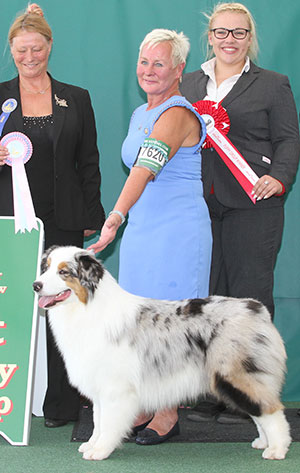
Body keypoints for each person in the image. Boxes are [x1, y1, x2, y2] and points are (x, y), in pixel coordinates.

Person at [89, 28, 212, 445]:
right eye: (144, 62)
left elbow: (143, 168)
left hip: (177, 233)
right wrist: (126, 219)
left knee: (173, 323)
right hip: (143, 231)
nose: (149, 70)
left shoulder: (178, 114)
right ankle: (144, 401)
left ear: (179, 69)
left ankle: (169, 410)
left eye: (159, 63)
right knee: (141, 323)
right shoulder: (141, 113)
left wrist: (115, 216)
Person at [180, 2, 300, 423]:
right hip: (200, 206)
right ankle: (213, 392)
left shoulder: (273, 83)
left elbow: (288, 140)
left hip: (254, 204)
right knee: (209, 299)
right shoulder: (189, 82)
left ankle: (251, 397)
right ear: (209, 36)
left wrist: (280, 178)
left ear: (250, 38)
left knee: (249, 300)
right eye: (221, 32)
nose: (229, 40)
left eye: (239, 32)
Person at [0, 4, 105, 427]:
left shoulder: (75, 98)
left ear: (50, 47)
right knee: (10, 307)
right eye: (22, 50)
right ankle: (9, 405)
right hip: (10, 222)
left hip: (63, 220)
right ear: (11, 50)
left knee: (65, 312)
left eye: (37, 49)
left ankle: (63, 404)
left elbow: (90, 162)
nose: (30, 58)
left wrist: (91, 216)